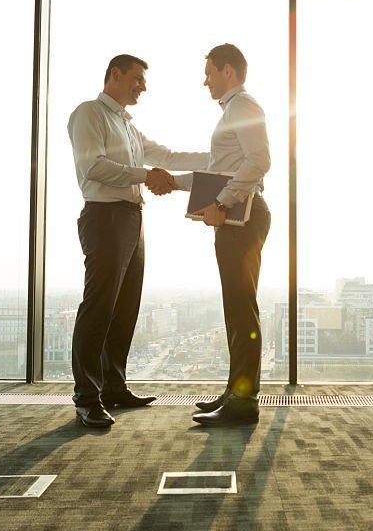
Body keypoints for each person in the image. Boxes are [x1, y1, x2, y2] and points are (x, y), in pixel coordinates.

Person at [68, 54, 208, 428]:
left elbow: (166, 155)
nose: (143, 86)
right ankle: (86, 397)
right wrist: (147, 175)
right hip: (104, 218)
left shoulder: (128, 126)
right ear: (115, 75)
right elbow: (92, 166)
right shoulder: (89, 114)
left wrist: (220, 159)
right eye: (137, 78)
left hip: (132, 218)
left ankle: (114, 387)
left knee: (126, 307)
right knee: (99, 306)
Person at [154, 44, 271, 425]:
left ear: (228, 72)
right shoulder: (232, 112)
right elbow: (217, 170)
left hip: (243, 218)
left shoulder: (244, 107)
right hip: (235, 219)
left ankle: (243, 402)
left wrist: (221, 203)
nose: (204, 80)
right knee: (235, 311)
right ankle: (234, 394)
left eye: (209, 72)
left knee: (241, 309)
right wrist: (173, 183)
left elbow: (260, 160)